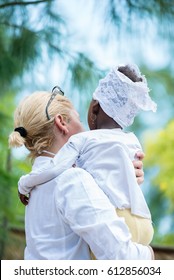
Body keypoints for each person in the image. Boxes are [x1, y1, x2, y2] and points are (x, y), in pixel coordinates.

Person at [9, 72, 154, 260]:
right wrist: (149, 255)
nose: (86, 128)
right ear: (61, 122)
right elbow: (121, 258)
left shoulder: (36, 185)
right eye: (78, 118)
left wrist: (123, 176)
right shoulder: (73, 180)